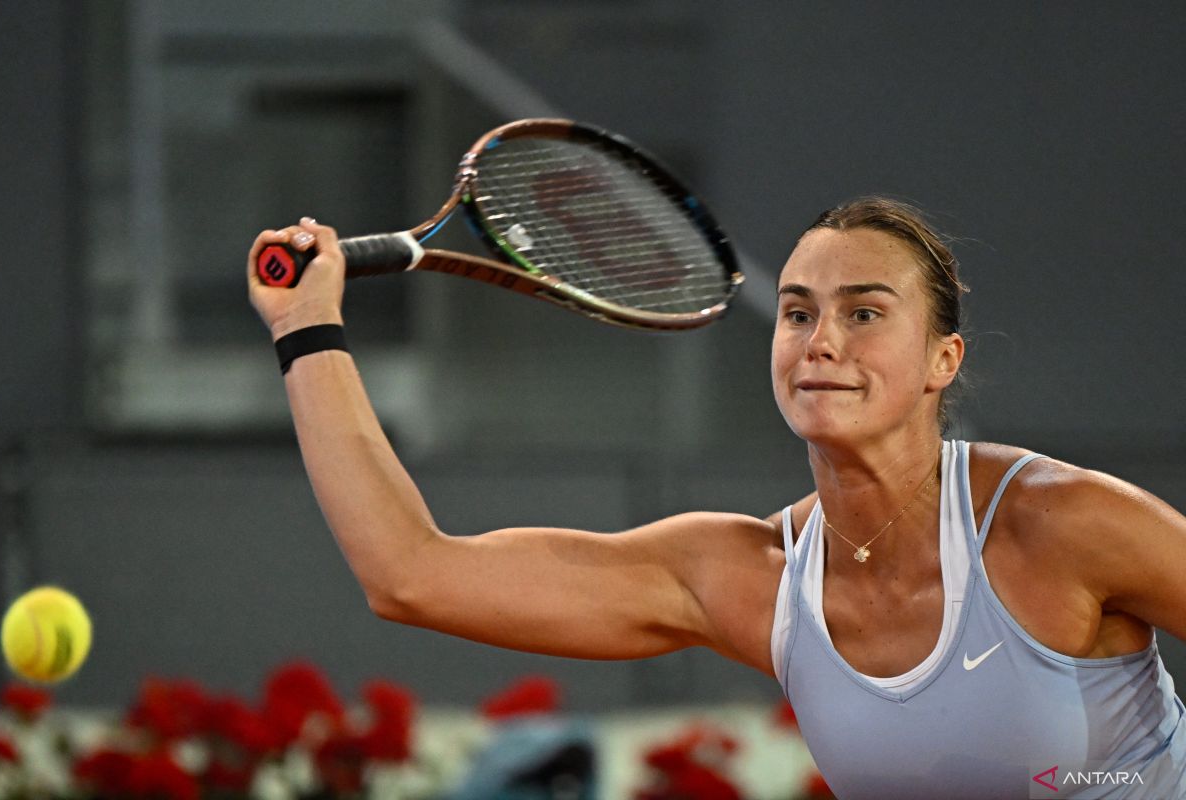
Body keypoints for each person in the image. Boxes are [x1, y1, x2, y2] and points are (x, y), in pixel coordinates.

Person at [248, 198, 1186, 798]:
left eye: (864, 313)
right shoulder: (749, 579)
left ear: (945, 360)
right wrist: (306, 326)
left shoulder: (1056, 525)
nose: (820, 341)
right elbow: (412, 575)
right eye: (797, 313)